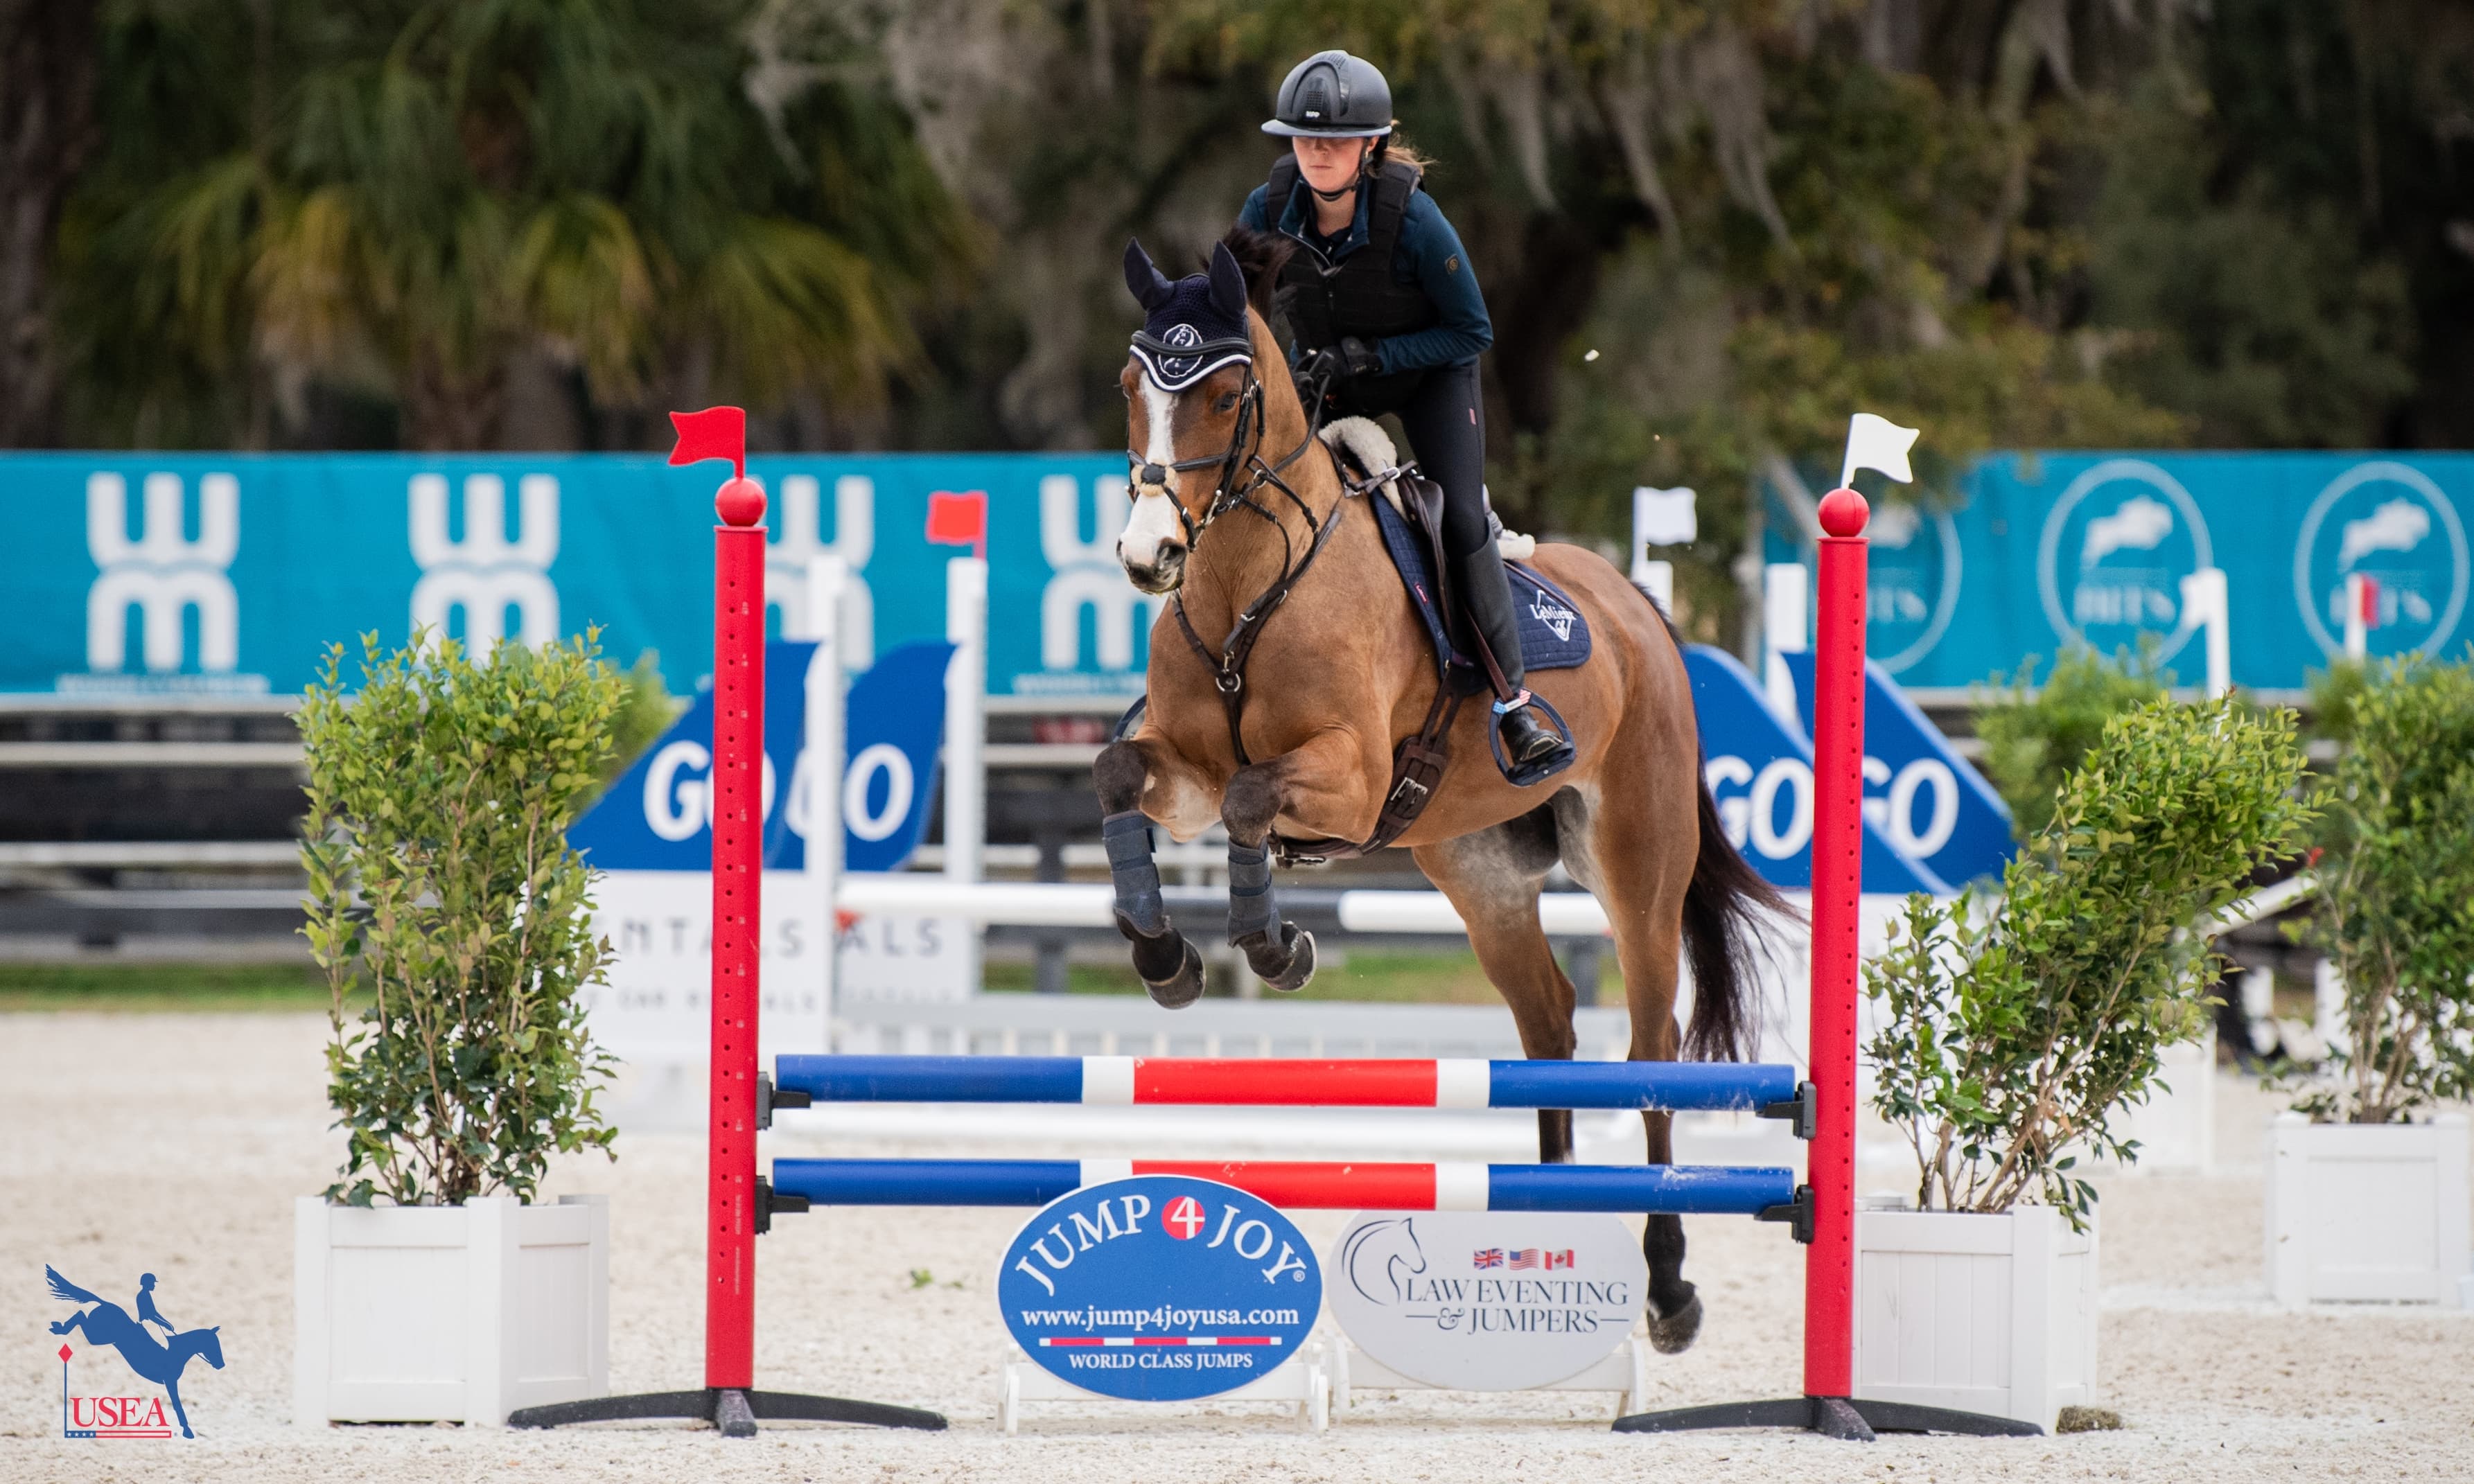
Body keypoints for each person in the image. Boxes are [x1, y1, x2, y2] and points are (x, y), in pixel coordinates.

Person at [1238, 48, 1571, 775]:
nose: (1318, 151)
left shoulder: (1415, 220)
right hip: (1324, 379)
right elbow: (1237, 315)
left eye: (1336, 140)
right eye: (1304, 137)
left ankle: (1515, 706)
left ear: (1372, 146)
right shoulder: (1265, 212)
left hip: (1428, 378)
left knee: (1455, 519)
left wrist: (1369, 359)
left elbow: (1472, 331)